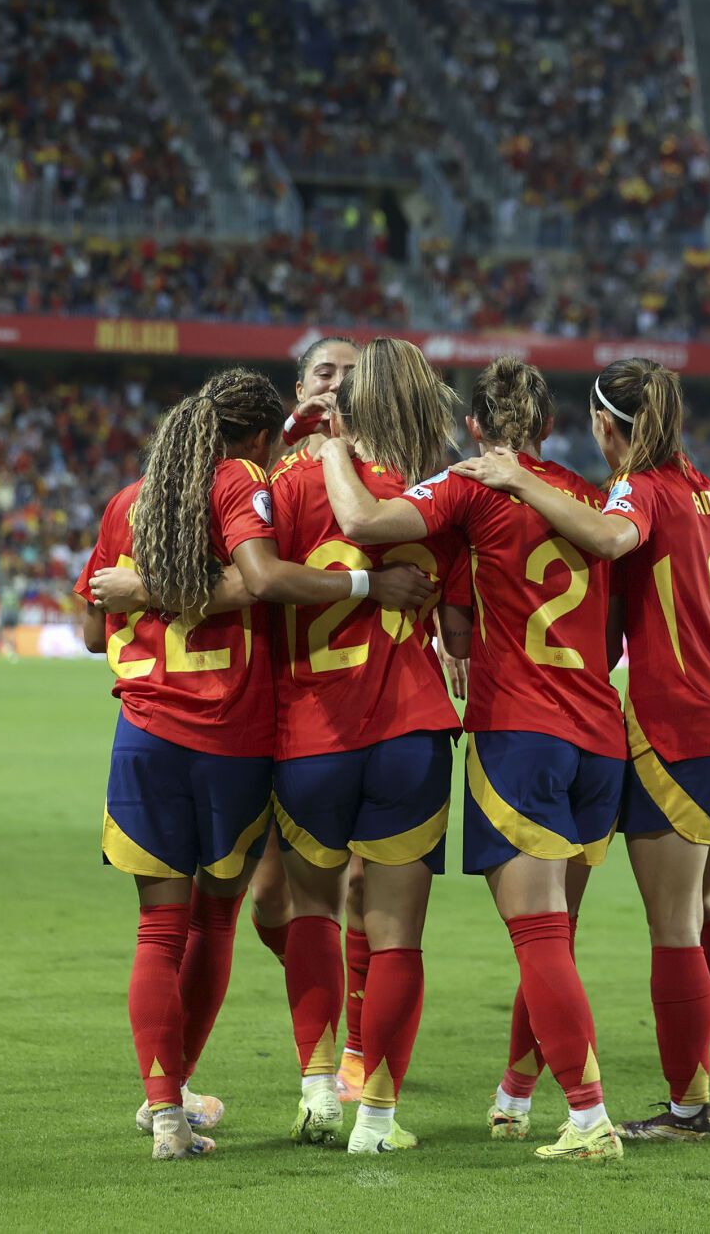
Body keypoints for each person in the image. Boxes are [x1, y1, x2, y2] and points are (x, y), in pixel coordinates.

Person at [74, 367, 424, 1160]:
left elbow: (96, 628)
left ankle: (167, 1110)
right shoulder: (242, 484)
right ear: (260, 438)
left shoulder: (130, 499)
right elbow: (262, 581)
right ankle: (299, 1078)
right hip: (231, 739)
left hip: (143, 735)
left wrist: (147, 589)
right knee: (214, 919)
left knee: (156, 932)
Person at [454, 357, 710, 1142]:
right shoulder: (709, 491)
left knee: (671, 924)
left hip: (685, 728)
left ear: (604, 424)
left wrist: (518, 479)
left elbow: (607, 534)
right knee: (704, 905)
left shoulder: (639, 485)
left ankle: (688, 1110)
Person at [322, 356, 627, 1162]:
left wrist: (331, 447)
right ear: (552, 424)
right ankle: (516, 1094)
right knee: (557, 934)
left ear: (475, 427)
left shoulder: (468, 485)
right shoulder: (589, 496)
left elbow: (363, 525)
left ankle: (591, 1119)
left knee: (539, 938)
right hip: (601, 736)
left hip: (522, 731)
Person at [267, 338, 468, 1155]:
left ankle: (317, 1087)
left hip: (310, 729)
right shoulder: (438, 494)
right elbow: (459, 628)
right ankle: (377, 1117)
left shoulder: (287, 483)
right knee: (397, 936)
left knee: (308, 910)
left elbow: (251, 581)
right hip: (412, 730)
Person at [254, 333, 387, 1105]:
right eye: (324, 371)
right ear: (299, 383)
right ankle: (331, 1012)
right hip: (283, 703)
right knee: (274, 897)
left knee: (363, 888)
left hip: (366, 702)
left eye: (351, 373)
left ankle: (357, 1051)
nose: (337, 382)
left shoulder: (384, 469)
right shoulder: (265, 473)